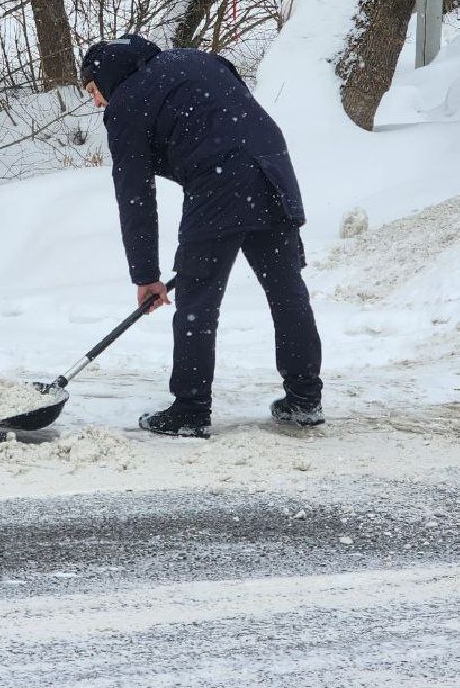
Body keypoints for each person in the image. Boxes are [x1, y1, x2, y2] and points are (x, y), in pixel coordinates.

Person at [80, 34, 323, 438]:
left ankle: (190, 409)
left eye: (92, 90)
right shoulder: (195, 60)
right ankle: (304, 399)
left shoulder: (127, 103)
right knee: (287, 292)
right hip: (272, 168)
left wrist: (145, 276)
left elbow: (135, 195)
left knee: (198, 299)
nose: (96, 101)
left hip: (219, 182)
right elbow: (233, 113)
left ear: (106, 76)